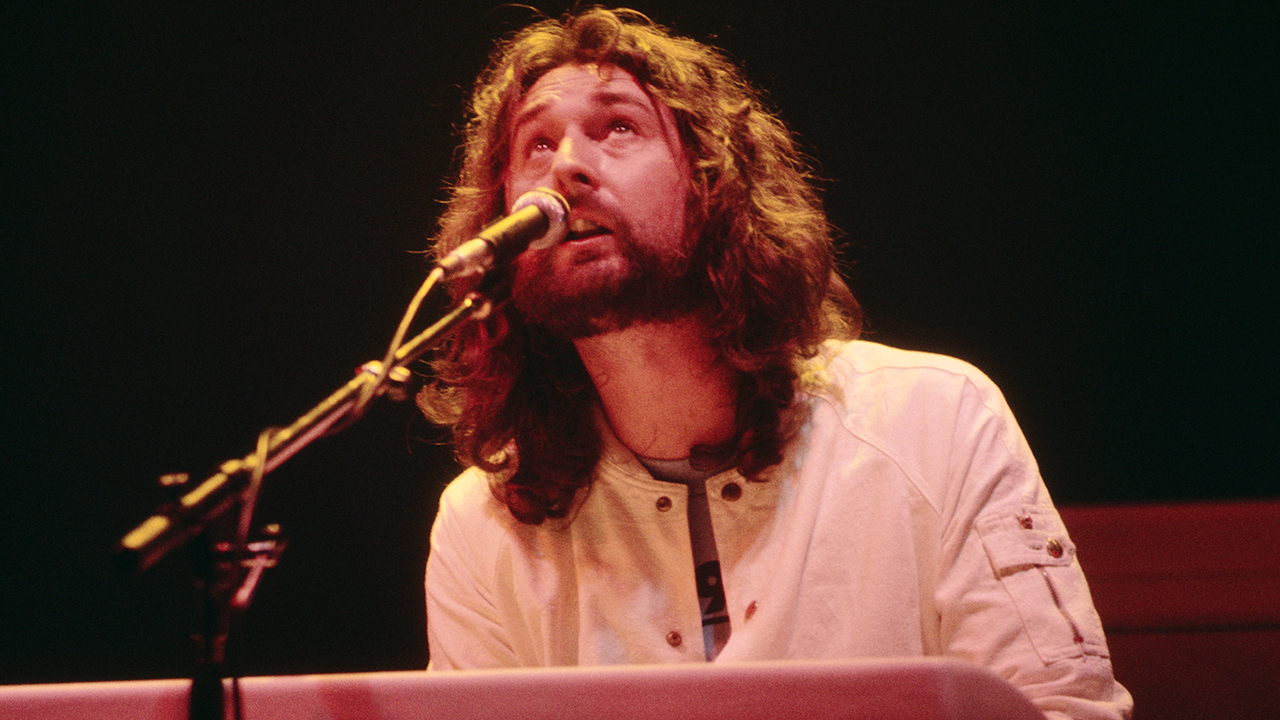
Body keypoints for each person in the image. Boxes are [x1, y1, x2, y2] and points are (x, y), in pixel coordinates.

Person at [417, 8, 1132, 720]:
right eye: (536, 145)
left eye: (618, 127)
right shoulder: (482, 523)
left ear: (713, 184)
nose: (567, 164)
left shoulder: (933, 420)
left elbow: (1063, 709)